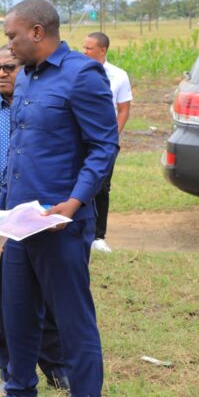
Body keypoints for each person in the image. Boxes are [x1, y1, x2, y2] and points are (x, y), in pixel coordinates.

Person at [0, 0, 118, 397]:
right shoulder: (26, 77)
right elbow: (18, 152)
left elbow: (104, 147)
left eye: (12, 36)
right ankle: (19, 396)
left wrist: (73, 204)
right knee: (17, 315)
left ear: (37, 32)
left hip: (61, 227)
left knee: (73, 323)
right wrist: (2, 212)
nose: (8, 46)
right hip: (19, 225)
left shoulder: (82, 75)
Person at [0, 46, 69, 396]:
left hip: (34, 220)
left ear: (27, 69)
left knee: (44, 300)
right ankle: (8, 369)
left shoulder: (42, 109)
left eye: (10, 67)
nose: (1, 73)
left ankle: (55, 366)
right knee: (1, 301)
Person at [83, 31, 133, 253]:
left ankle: (98, 236)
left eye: (89, 48)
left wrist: (112, 137)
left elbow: (123, 109)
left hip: (104, 141)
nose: (84, 51)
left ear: (102, 50)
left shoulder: (119, 76)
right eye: (83, 47)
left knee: (101, 187)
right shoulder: (77, 72)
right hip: (80, 138)